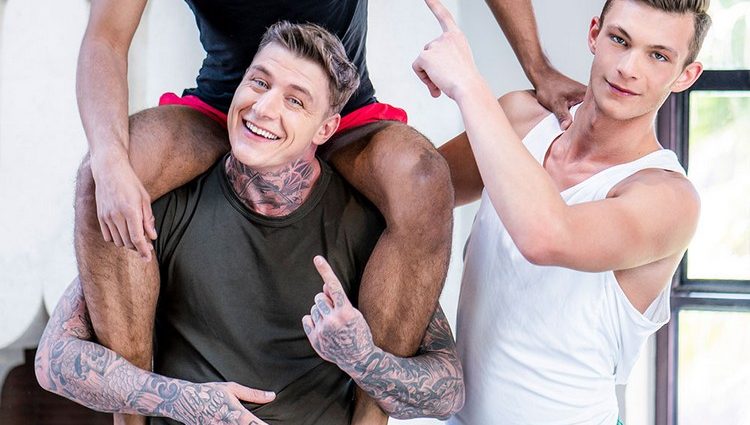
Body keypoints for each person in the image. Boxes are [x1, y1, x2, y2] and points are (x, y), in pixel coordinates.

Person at [36, 21, 464, 425]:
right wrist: (180, 400)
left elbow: (449, 391)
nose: (263, 108)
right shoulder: (163, 203)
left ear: (325, 128)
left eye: (295, 101)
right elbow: (54, 360)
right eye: (259, 82)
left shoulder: (363, 225)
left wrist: (363, 359)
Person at [414, 0, 710, 423]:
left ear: (685, 76)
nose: (628, 68)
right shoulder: (520, 120)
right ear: (594, 35)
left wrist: (466, 83)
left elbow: (546, 236)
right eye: (619, 40)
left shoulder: (669, 198)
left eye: (658, 56)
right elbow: (416, 193)